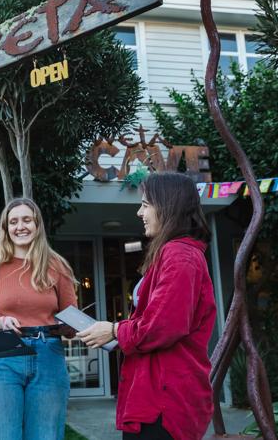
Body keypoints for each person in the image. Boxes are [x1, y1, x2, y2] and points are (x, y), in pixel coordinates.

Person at [77, 172, 216, 440]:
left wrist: (115, 330)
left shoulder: (179, 255)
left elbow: (161, 327)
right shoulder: (174, 253)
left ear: (167, 205)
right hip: (154, 395)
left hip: (165, 399)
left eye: (145, 204)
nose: (139, 212)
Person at [0, 197, 78, 440]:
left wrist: (68, 327)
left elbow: (71, 320)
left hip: (48, 355)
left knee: (45, 435)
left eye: (27, 220)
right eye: (13, 221)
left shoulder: (56, 265)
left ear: (37, 225)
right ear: (6, 228)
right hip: (3, 356)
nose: (20, 226)